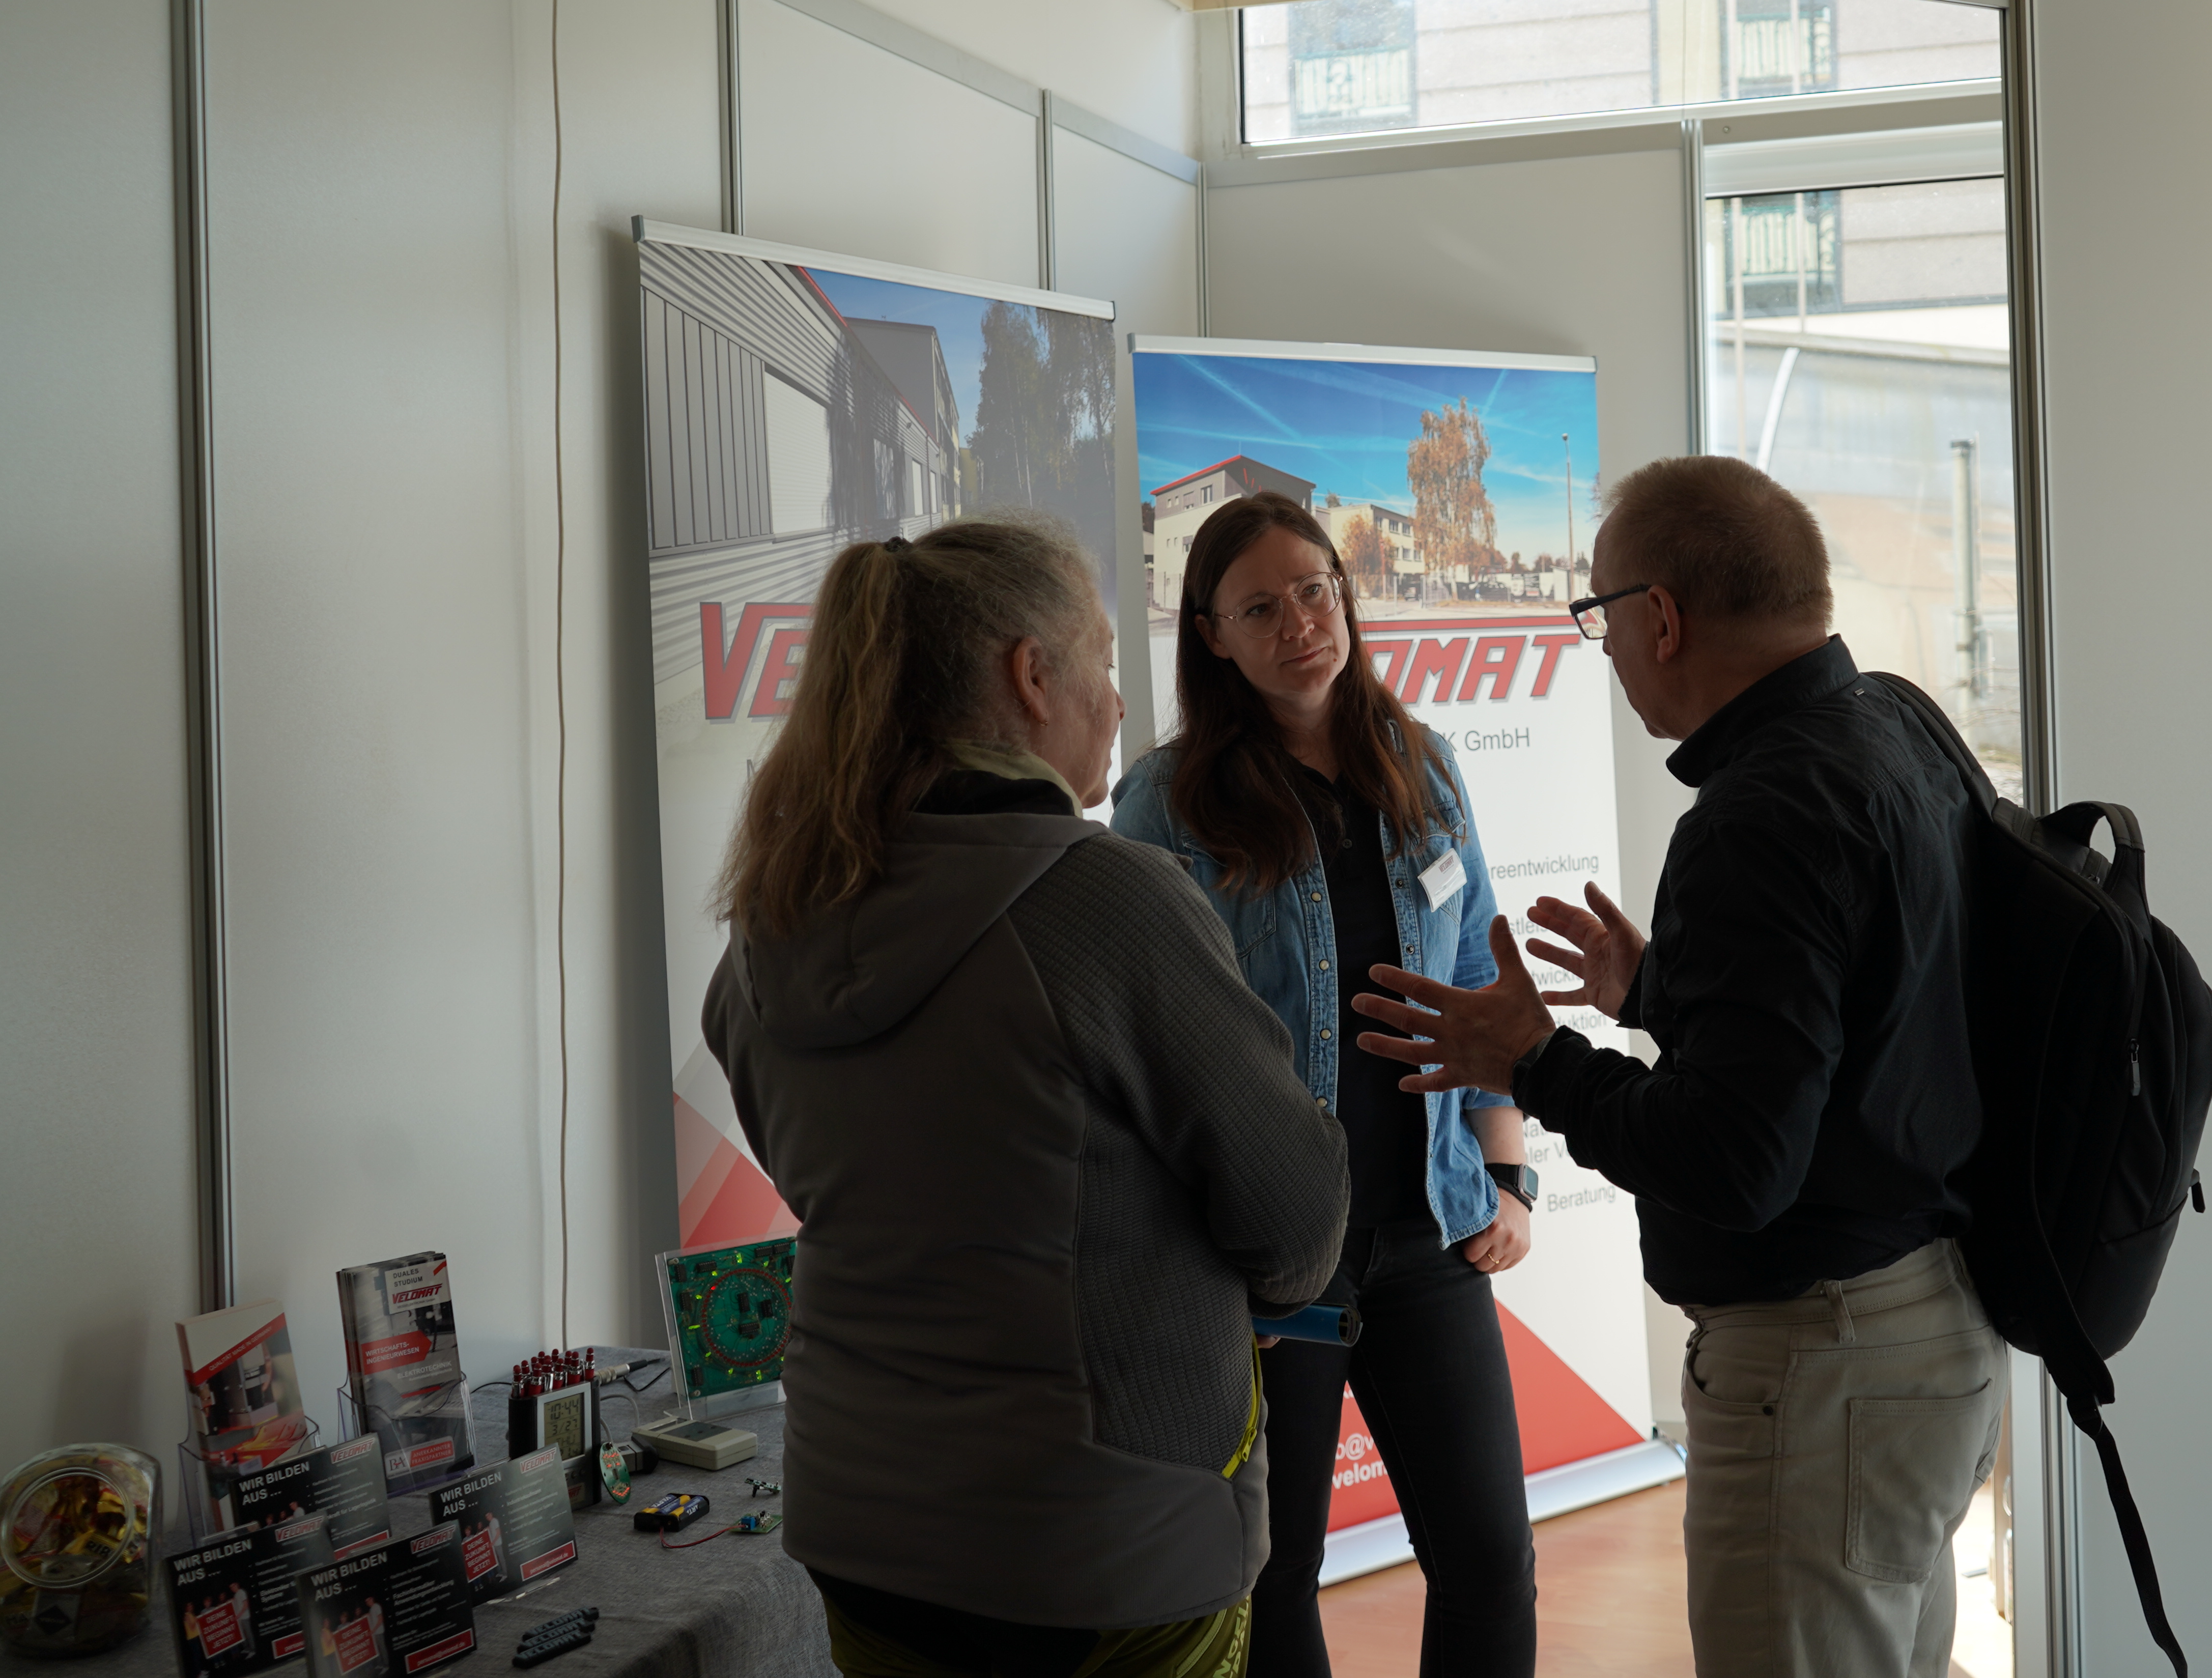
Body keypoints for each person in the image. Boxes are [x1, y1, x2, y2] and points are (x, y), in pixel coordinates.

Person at [1350, 456, 2000, 1678]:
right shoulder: (1895, 728)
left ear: (1660, 617)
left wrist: (1536, 1059)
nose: (1599, 646)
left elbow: (1736, 1165)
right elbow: (1880, 1017)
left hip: (1822, 1358)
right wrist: (1660, 992)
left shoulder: (1761, 810)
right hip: (1930, 1325)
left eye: (1596, 614)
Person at [701, 518, 1347, 1678]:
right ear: (1031, 675)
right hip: (1102, 1542)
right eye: (1101, 659)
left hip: (864, 1527)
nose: (1118, 700)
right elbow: (1295, 1224)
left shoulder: (774, 909)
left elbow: (818, 1171)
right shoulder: (1104, 898)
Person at [1112, 493, 1539, 1678]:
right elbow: (1145, 1044)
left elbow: (1478, 977)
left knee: (1491, 1561)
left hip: (1433, 1227)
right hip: (1268, 1258)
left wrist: (1508, 1173)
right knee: (1273, 1575)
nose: (1300, 623)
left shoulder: (1422, 762)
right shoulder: (1165, 802)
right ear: (1212, 634)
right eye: (1261, 607)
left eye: (1315, 591)